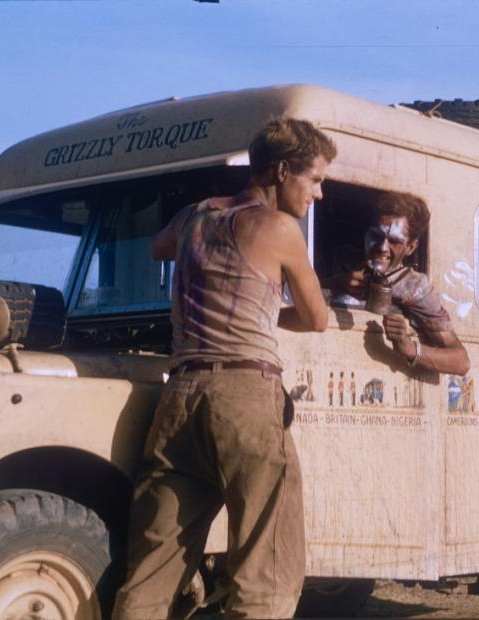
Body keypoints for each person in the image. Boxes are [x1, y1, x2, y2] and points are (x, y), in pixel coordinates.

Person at [113, 117, 336, 620]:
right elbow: (317, 318)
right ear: (281, 171)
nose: (318, 194)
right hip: (245, 396)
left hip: (181, 397)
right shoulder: (281, 229)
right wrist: (257, 307)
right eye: (315, 179)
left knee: (153, 566)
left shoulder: (194, 216)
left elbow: (157, 247)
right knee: (265, 566)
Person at [329, 191, 470, 375]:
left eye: (394, 241)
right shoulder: (342, 258)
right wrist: (337, 282)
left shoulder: (416, 288)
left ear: (411, 247)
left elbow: (461, 362)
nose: (382, 248)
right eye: (376, 236)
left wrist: (409, 348)